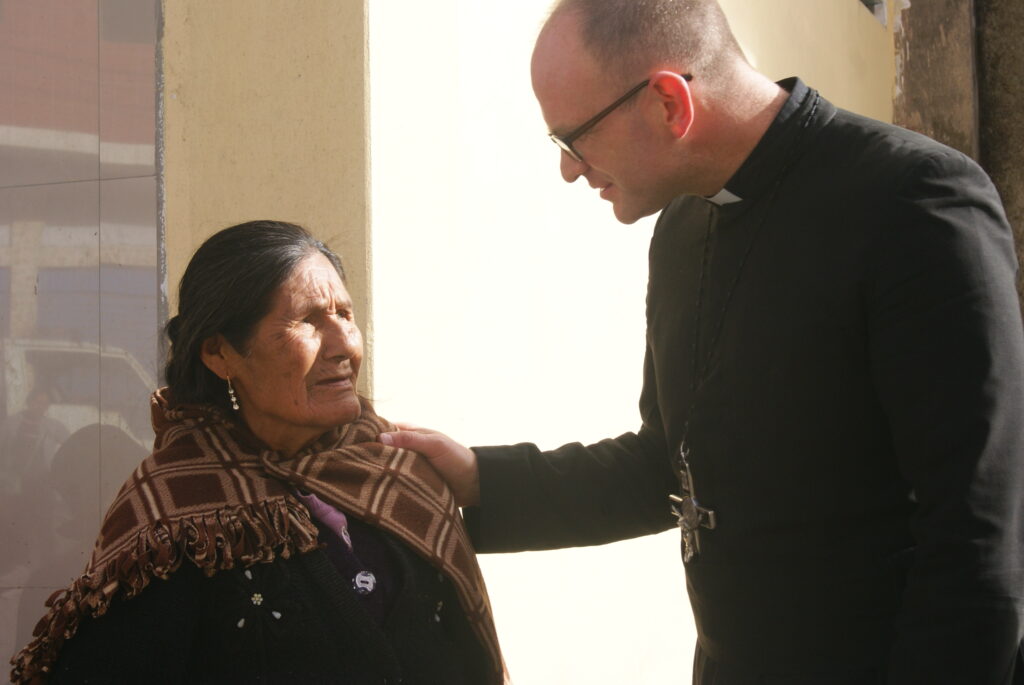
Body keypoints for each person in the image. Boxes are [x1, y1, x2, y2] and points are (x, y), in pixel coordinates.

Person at [380, 1, 1024, 683]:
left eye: (574, 139)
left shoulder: (912, 200)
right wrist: (480, 481)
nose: (570, 170)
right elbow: (668, 465)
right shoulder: (682, 227)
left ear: (668, 102)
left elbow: (977, 538)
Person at [10, 220, 506, 684]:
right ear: (220, 353)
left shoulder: (399, 470)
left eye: (345, 315)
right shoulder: (178, 517)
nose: (343, 345)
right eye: (309, 321)